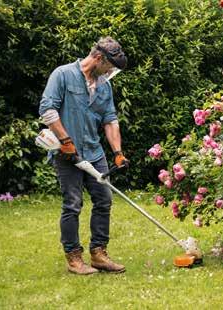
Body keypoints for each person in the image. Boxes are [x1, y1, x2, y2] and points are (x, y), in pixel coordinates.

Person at [39, 37, 129, 275]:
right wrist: (66, 141)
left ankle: (99, 253)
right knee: (73, 204)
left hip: (93, 151)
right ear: (99, 58)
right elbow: (47, 110)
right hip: (66, 153)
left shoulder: (104, 85)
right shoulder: (63, 75)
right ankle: (74, 258)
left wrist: (117, 153)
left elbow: (110, 120)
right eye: (110, 66)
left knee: (104, 199)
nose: (111, 71)